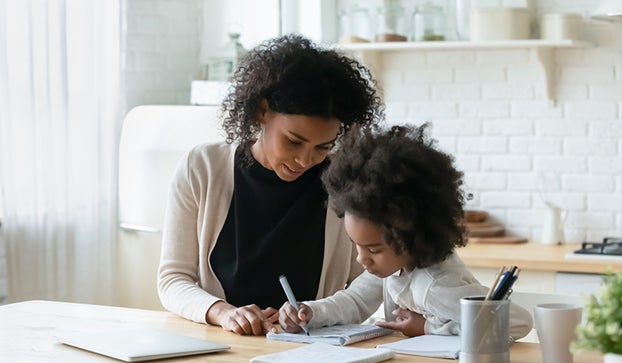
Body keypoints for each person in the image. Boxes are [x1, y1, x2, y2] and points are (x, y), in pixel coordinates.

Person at [157, 34, 385, 335]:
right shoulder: (201, 168)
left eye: (323, 146)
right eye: (294, 141)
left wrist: (317, 314)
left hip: (312, 347)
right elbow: (173, 279)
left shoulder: (346, 179)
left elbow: (373, 277)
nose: (306, 160)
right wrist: (222, 313)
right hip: (222, 346)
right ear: (262, 111)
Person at [278, 124, 533, 341]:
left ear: (410, 236)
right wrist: (310, 312)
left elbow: (519, 322)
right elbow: (356, 300)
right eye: (357, 245)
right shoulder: (393, 266)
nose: (361, 259)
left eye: (373, 249)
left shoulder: (437, 286)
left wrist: (428, 327)